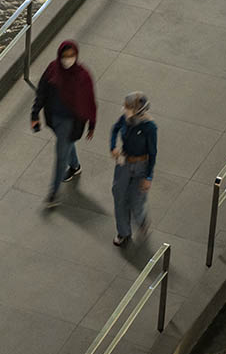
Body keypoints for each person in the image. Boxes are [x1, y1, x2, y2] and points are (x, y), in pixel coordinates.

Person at [30, 39, 97, 207]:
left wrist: (92, 124)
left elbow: (89, 100)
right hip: (54, 119)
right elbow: (42, 92)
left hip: (72, 122)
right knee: (66, 144)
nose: (68, 59)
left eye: (71, 56)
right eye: (65, 56)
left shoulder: (83, 76)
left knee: (61, 155)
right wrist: (35, 114)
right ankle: (74, 166)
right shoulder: (53, 70)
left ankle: (53, 193)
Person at [109, 92, 158, 247]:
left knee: (136, 200)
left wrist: (148, 177)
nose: (125, 110)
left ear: (137, 110)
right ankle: (123, 232)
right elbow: (115, 129)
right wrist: (113, 147)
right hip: (124, 162)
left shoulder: (149, 127)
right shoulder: (125, 119)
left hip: (141, 166)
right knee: (119, 195)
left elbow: (152, 152)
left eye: (128, 107)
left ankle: (141, 220)